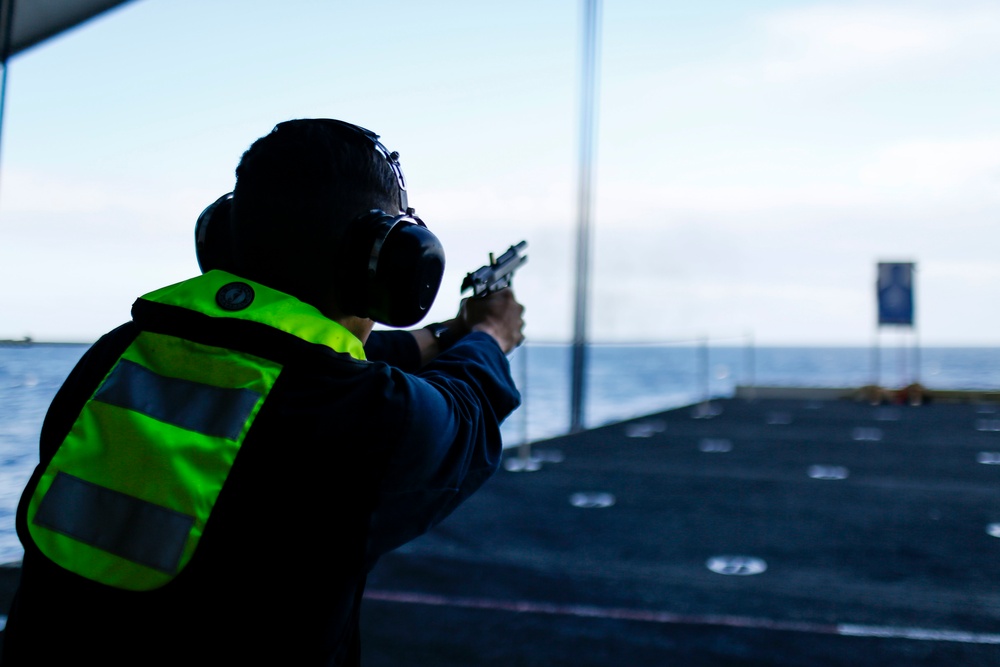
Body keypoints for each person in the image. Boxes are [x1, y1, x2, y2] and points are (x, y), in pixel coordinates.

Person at [2, 119, 524, 665]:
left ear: (226, 237)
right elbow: (463, 416)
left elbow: (292, 362)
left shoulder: (116, 356)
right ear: (391, 263)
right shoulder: (362, 413)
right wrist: (492, 334)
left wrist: (449, 334)